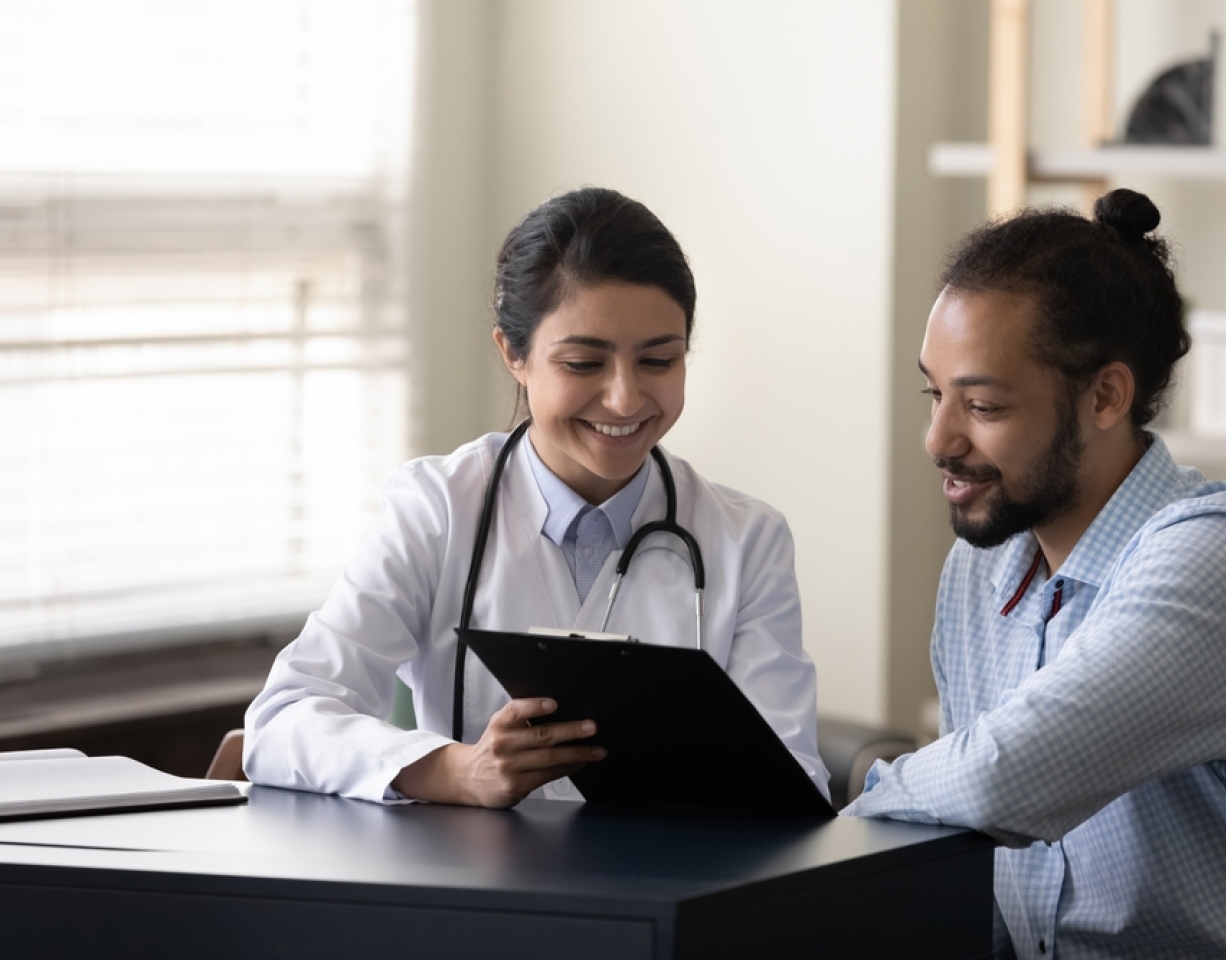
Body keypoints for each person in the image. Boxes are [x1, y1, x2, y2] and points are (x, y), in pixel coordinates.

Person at [844, 189, 1226, 959]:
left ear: (1105, 396)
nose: (938, 438)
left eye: (981, 405)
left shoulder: (1223, 553)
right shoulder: (980, 572)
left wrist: (861, 801)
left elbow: (1000, 783)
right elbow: (979, 858)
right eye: (934, 394)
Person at [244, 187, 827, 808]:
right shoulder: (437, 510)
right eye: (583, 364)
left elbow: (795, 782)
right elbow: (282, 718)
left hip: (668, 894)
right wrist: (457, 771)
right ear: (513, 354)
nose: (625, 399)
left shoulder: (747, 541)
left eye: (659, 360)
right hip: (478, 893)